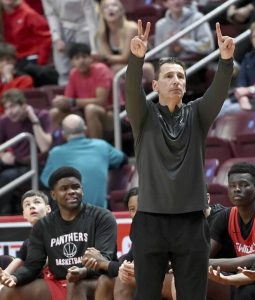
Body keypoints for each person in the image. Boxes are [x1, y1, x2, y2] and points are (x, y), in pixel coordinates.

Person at [125, 19, 234, 299]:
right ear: (155, 84)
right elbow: (131, 94)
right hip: (150, 221)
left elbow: (218, 93)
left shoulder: (198, 115)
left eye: (181, 76)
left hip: (192, 222)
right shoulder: (144, 116)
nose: (176, 81)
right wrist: (136, 60)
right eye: (169, 76)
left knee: (192, 295)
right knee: (146, 295)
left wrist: (225, 61)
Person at [0, 166, 118, 300]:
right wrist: (14, 277)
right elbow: (33, 266)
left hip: (94, 280)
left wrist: (82, 272)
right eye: (64, 188)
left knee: (75, 285)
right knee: (7, 292)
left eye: (75, 187)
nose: (71, 191)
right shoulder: (43, 226)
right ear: (53, 195)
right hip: (58, 282)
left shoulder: (102, 216)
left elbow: (105, 259)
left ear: (82, 190)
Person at [82, 187, 174, 300]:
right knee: (105, 280)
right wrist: (100, 262)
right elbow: (127, 263)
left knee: (125, 280)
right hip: (152, 277)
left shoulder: (163, 228)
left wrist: (103, 263)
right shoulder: (140, 232)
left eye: (141, 208)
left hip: (176, 279)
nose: (137, 214)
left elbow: (147, 268)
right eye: (132, 209)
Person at [41, 114, 127, 208]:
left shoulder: (55, 153)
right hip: (100, 213)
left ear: (63, 134)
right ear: (85, 129)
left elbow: (46, 181)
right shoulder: (102, 146)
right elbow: (122, 159)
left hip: (69, 215)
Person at [0, 88, 52, 215]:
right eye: (6, 108)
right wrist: (2, 155)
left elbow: (45, 146)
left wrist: (33, 119)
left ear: (23, 105)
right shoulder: (5, 121)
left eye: (12, 107)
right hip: (15, 163)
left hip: (37, 165)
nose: (9, 112)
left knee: (7, 176)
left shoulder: (42, 115)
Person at [50, 42, 114, 139]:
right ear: (72, 62)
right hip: (84, 115)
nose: (81, 61)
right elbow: (68, 101)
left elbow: (101, 101)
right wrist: (61, 103)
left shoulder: (101, 69)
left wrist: (72, 102)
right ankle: (67, 149)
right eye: (77, 58)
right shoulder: (73, 74)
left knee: (90, 109)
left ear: (90, 58)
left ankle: (95, 150)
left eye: (84, 57)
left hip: (111, 114)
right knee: (54, 112)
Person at [0, 190, 51, 299]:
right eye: (27, 204)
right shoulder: (28, 242)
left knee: (6, 291)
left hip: (55, 282)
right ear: (24, 214)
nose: (32, 206)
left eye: (37, 202)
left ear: (48, 209)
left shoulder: (58, 232)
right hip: (34, 281)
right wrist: (3, 277)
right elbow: (11, 268)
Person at [96, 0, 154, 85]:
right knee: (104, 70)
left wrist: (102, 58)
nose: (110, 9)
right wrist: (105, 58)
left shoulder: (131, 28)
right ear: (102, 13)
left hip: (145, 64)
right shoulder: (102, 33)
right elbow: (109, 59)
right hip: (123, 68)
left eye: (114, 5)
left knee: (114, 70)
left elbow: (125, 58)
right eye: (106, 7)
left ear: (121, 10)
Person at [41, 0, 99, 85]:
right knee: (62, 62)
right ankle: (65, 88)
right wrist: (56, 38)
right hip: (63, 25)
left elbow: (91, 19)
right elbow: (51, 14)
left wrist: (94, 48)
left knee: (82, 57)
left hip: (84, 24)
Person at [1, 0, 57, 86]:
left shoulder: (27, 13)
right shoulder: (3, 14)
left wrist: (40, 62)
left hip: (27, 60)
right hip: (7, 58)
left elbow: (46, 38)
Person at [0, 42, 33, 114]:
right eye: (1, 60)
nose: (5, 63)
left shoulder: (25, 80)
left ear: (14, 61)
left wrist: (9, 79)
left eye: (8, 60)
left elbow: (12, 104)